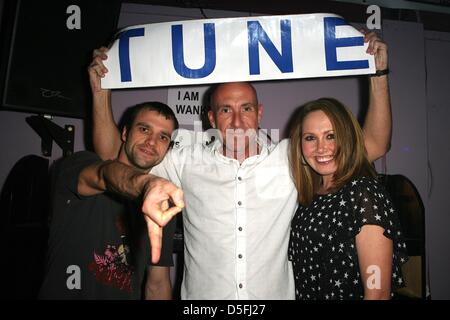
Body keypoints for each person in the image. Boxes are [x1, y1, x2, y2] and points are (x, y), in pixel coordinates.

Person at [89, 31, 392, 299]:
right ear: (211, 118)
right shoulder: (185, 159)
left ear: (259, 112)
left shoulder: (289, 156)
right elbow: (113, 157)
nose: (237, 121)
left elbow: (374, 144)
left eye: (246, 108)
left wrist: (379, 74)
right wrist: (100, 92)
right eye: (225, 110)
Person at [39, 101, 184, 299]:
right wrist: (144, 185)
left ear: (167, 149)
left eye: (163, 137)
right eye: (144, 129)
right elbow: (104, 175)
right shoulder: (78, 164)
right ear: (125, 133)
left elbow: (157, 285)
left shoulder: (161, 204)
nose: (152, 141)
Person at [287, 98, 407, 300]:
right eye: (310, 138)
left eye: (331, 136)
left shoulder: (363, 193)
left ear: (348, 138)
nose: (321, 148)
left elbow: (376, 291)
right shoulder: (310, 195)